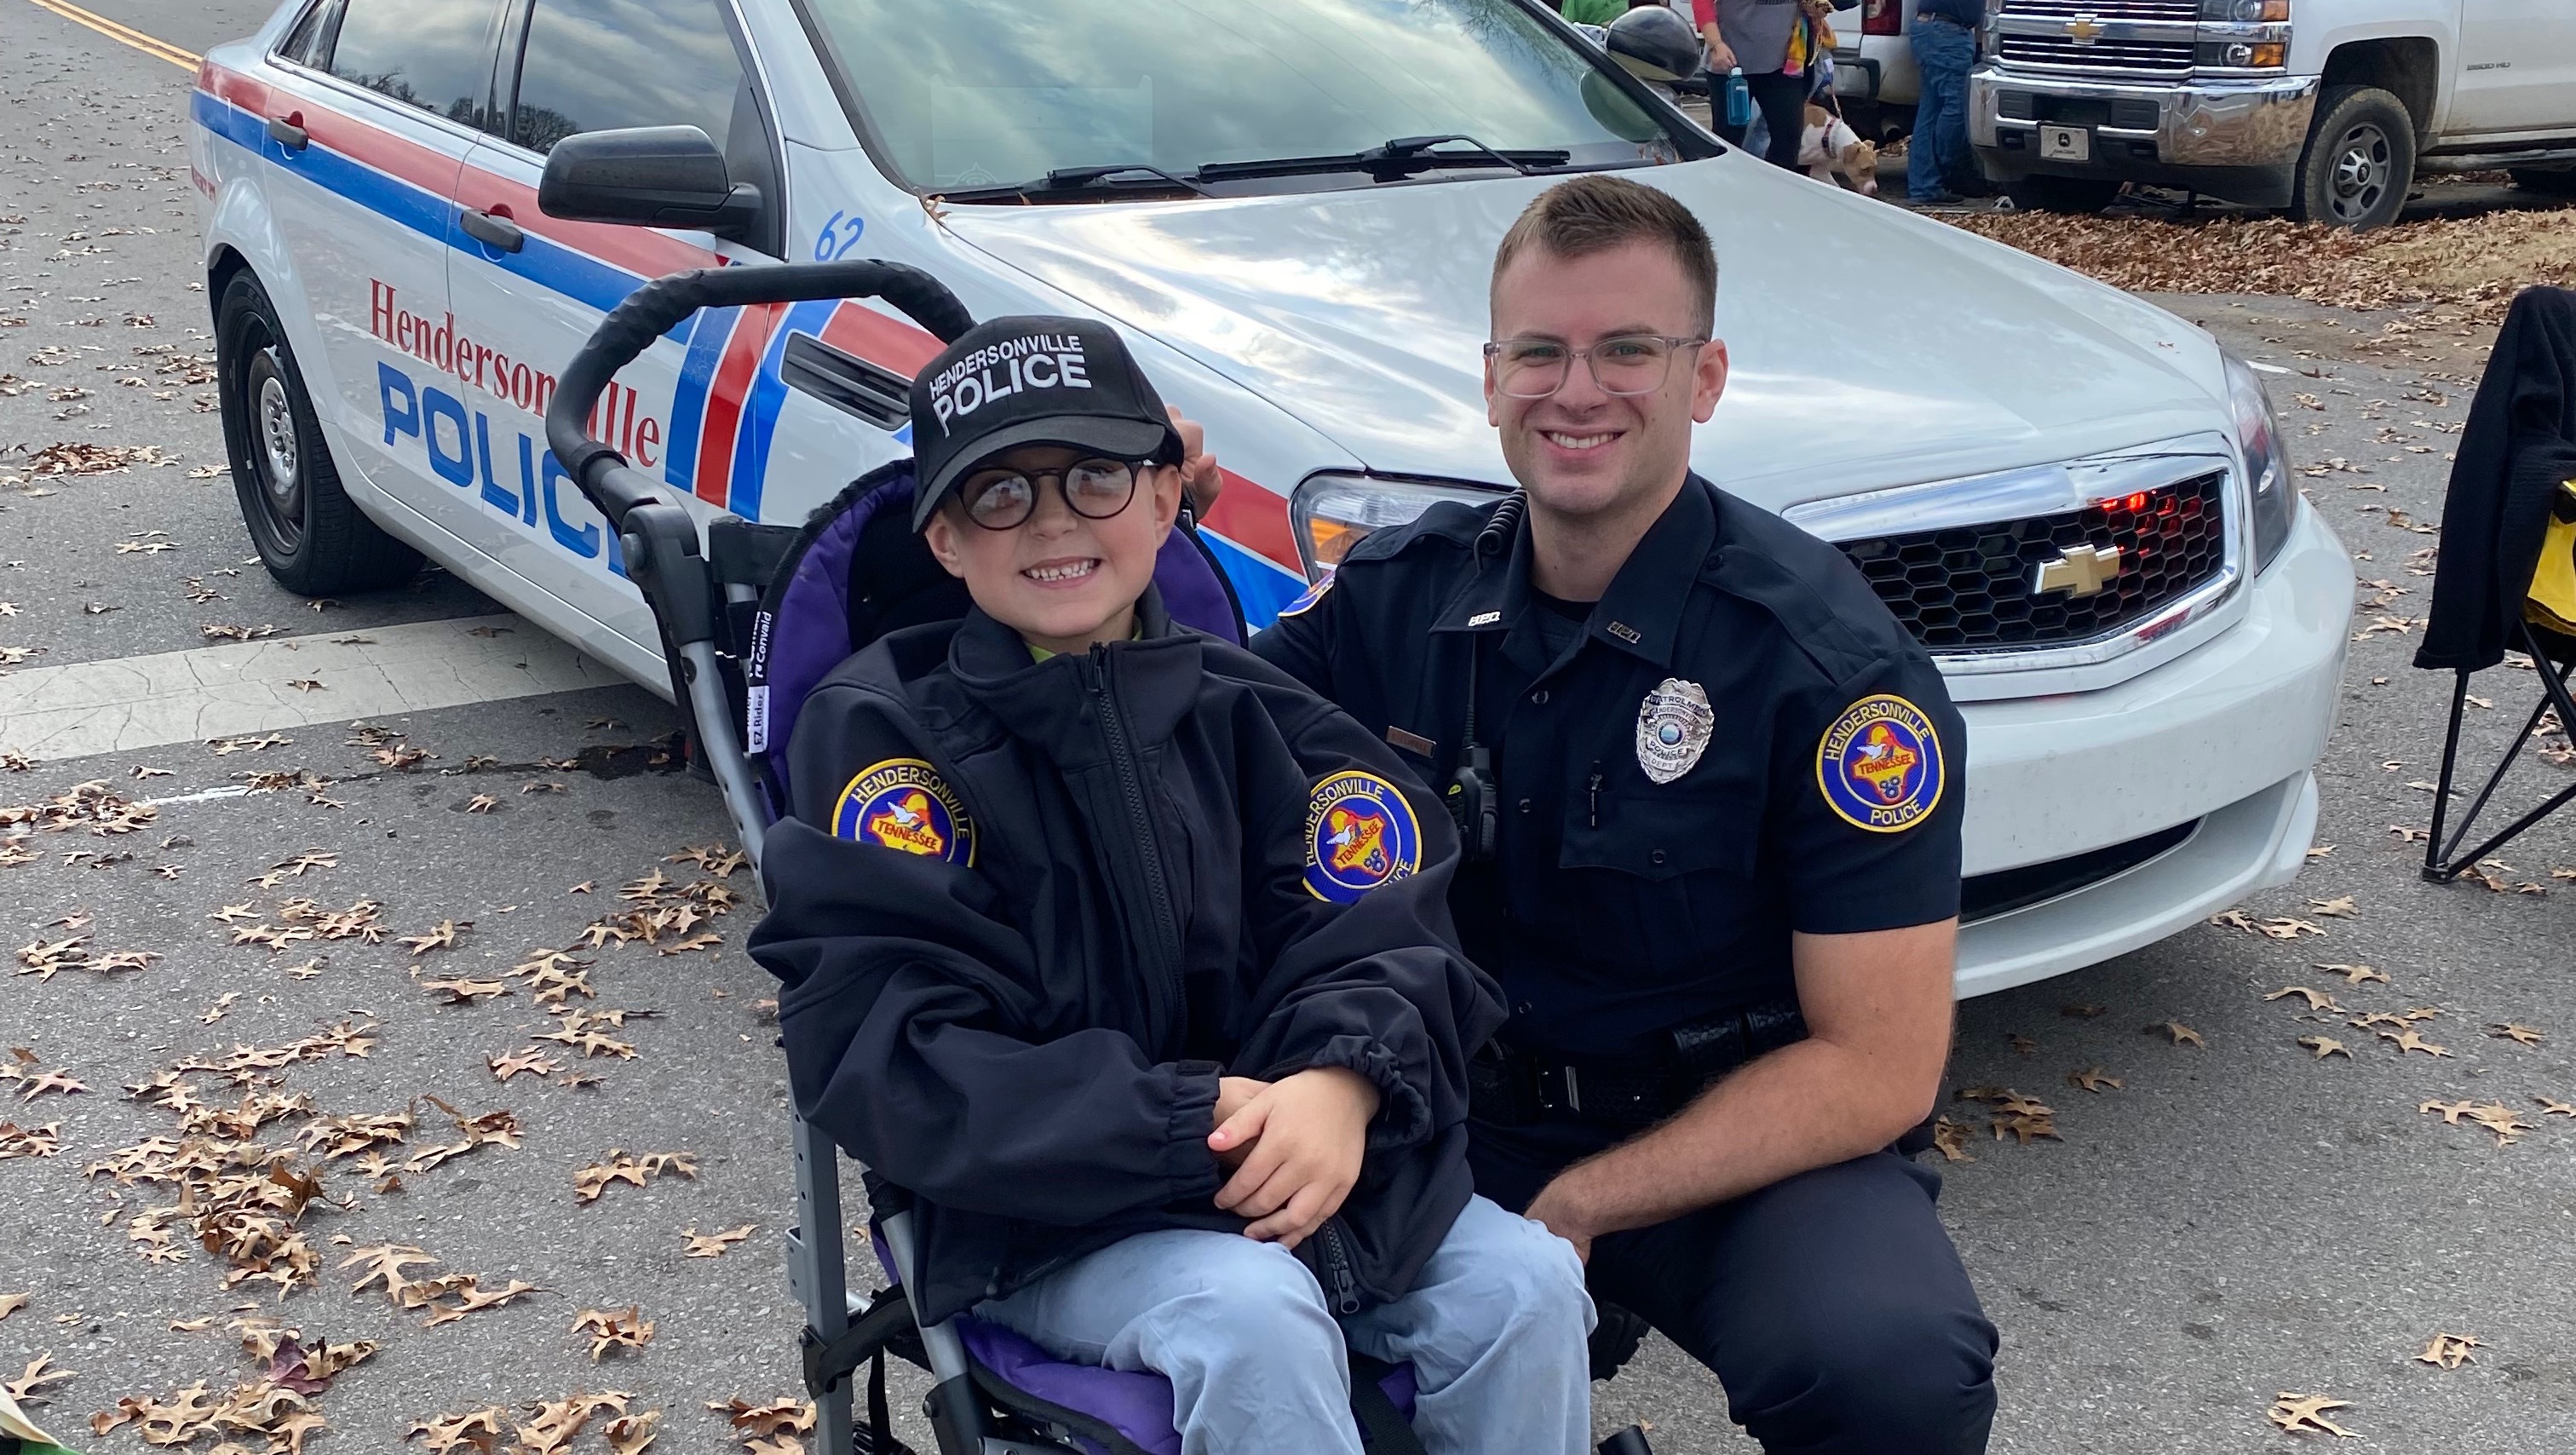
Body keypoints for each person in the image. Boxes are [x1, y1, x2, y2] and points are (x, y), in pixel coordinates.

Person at [747, 315, 1596, 1455]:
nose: (1053, 520)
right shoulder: (885, 746)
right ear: (944, 539)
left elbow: (1389, 928)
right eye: (1001, 494)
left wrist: (1343, 1078)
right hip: (1042, 1216)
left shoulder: (1261, 715)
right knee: (1256, 1318)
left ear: (1161, 499)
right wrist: (1189, 1123)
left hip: (1300, 1164)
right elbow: (891, 1042)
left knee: (1526, 1283)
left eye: (1095, 478)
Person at [1248, 175, 2000, 1452]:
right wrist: (1130, 504)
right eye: (1540, 352)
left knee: (1891, 1370)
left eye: (1627, 351)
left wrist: (1580, 1208)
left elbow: (1877, 1066)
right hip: (1447, 1112)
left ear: (1704, 377)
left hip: (1722, 1138)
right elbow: (1179, 723)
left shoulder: (1827, 670)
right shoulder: (1397, 599)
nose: (1577, 390)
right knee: (1237, 1305)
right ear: (1493, 381)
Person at [1694, 0, 1843, 172]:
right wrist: (1715, 43)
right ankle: (1723, 186)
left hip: (1786, 64)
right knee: (1729, 141)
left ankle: (1773, 188)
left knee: (1788, 141)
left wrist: (1816, 7)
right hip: (1731, 64)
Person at [1907, 0, 1984, 204]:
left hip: (1935, 30)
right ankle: (1942, 167)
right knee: (1959, 106)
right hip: (1946, 33)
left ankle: (1924, 186)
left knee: (1930, 113)